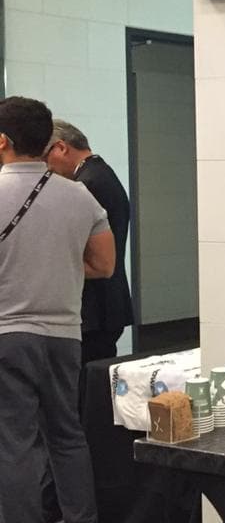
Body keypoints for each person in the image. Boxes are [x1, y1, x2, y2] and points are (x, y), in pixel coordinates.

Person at [0, 97, 114, 523]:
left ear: (2, 141)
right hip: (66, 334)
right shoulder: (79, 196)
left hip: (7, 334)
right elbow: (105, 266)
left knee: (16, 442)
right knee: (66, 432)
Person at [45, 120, 135, 364]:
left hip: (94, 307)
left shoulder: (86, 185)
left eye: (45, 158)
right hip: (106, 302)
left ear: (61, 148)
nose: (46, 169)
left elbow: (78, 250)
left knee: (86, 388)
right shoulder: (100, 173)